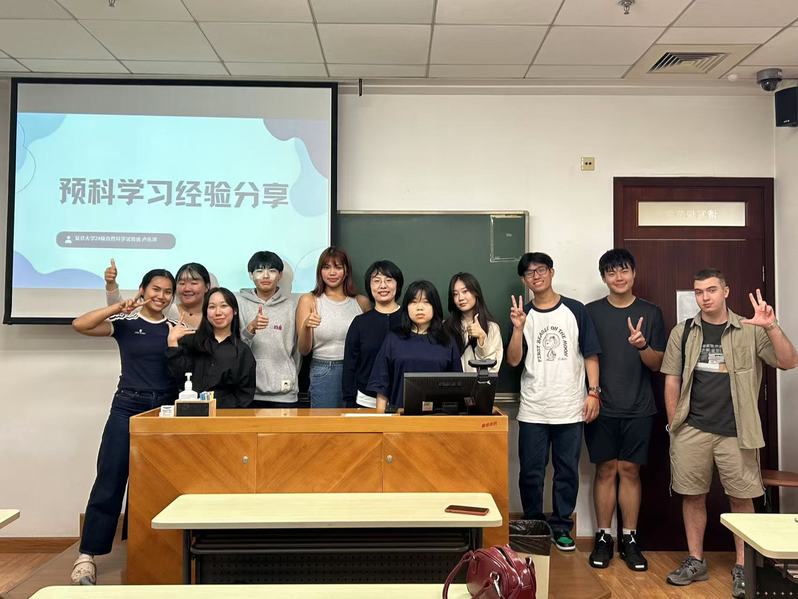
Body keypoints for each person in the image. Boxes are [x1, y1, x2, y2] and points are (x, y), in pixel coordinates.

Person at [661, 269, 798, 598]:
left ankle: (742, 565)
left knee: (741, 498)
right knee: (692, 495)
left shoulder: (750, 330)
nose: (704, 297)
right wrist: (674, 426)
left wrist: (771, 326)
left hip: (738, 432)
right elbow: (672, 379)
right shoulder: (683, 332)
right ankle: (695, 560)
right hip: (692, 430)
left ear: (726, 291)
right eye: (698, 292)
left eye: (711, 290)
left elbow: (789, 361)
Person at [70, 269, 178, 586]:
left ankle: (159, 553)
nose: (161, 296)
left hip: (164, 411)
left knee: (160, 483)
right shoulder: (127, 325)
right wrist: (118, 306)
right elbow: (80, 325)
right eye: (155, 289)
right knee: (110, 478)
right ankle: (86, 557)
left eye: (167, 291)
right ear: (143, 290)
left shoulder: (175, 329)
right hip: (127, 406)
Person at [506, 252, 601, 552]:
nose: (536, 276)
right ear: (524, 280)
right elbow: (513, 361)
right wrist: (518, 328)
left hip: (570, 407)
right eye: (529, 272)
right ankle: (533, 527)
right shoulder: (522, 314)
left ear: (551, 272)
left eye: (541, 270)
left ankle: (561, 527)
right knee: (530, 473)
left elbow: (590, 353)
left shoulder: (575, 310)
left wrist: (593, 392)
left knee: (567, 472)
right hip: (533, 408)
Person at [585, 249, 665, 571]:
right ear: (604, 277)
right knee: (605, 470)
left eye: (624, 271)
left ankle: (630, 539)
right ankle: (604, 537)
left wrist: (642, 345)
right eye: (611, 272)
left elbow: (658, 364)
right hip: (602, 406)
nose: (618, 277)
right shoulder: (591, 312)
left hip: (639, 407)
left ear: (634, 273)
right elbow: (586, 357)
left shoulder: (651, 312)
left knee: (630, 471)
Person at [368, 280, 462, 412]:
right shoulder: (393, 338)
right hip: (400, 415)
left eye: (426, 302)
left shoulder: (447, 340)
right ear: (406, 307)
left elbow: (458, 386)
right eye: (413, 302)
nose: (419, 308)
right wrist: (380, 419)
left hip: (439, 417)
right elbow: (381, 384)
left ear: (435, 306)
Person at [296, 247, 371, 408]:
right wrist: (306, 327)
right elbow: (303, 350)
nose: (332, 273)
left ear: (346, 271)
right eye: (326, 267)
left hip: (357, 370)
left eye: (337, 267)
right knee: (325, 422)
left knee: (356, 422)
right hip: (325, 370)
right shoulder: (309, 300)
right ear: (320, 271)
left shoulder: (361, 302)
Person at [166, 287, 256, 408]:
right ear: (206, 312)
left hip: (226, 415)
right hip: (190, 412)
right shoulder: (191, 342)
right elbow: (177, 377)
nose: (218, 312)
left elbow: (245, 394)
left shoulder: (242, 351)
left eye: (223, 306)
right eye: (212, 307)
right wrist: (172, 342)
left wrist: (214, 407)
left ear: (234, 310)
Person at [237, 251, 300, 408]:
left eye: (272, 271)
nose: (265, 276)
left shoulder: (291, 307)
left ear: (280, 275)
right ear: (251, 275)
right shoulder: (239, 303)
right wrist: (250, 329)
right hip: (247, 392)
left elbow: (297, 352)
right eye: (259, 271)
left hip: (285, 394)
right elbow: (236, 349)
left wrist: (290, 375)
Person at [342, 260, 404, 408]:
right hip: (365, 400)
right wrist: (350, 399)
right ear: (369, 286)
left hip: (403, 399)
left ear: (398, 285)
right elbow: (350, 365)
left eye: (388, 280)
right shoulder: (360, 323)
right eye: (376, 281)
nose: (383, 286)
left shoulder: (409, 319)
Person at [105, 260, 212, 330]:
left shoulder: (215, 313)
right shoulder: (166, 309)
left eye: (193, 283)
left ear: (207, 286)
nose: (187, 288)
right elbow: (120, 313)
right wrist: (111, 284)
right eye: (182, 283)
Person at [445, 272, 503, 373]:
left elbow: (493, 369)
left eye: (465, 291)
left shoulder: (492, 328)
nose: (460, 298)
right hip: (453, 382)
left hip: (481, 383)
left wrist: (482, 339)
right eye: (455, 294)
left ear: (476, 292)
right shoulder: (446, 327)